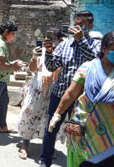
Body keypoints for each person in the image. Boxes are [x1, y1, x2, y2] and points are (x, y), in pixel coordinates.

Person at [40, 10, 101, 167]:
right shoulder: (64, 45)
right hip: (60, 94)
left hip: (82, 98)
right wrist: (48, 52)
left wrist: (81, 41)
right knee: (51, 127)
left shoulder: (96, 45)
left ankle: (78, 161)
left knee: (79, 131)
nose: (78, 28)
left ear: (90, 26)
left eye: (82, 25)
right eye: (76, 25)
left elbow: (95, 62)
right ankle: (45, 159)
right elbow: (52, 66)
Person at [48, 31, 114, 167]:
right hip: (82, 128)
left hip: (108, 133)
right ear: (104, 49)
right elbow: (71, 93)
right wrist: (57, 114)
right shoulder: (87, 68)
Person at [17, 45, 65, 160]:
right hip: (38, 91)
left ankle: (50, 146)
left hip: (55, 90)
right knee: (30, 115)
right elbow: (32, 69)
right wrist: (34, 57)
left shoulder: (63, 52)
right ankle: (25, 145)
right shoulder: (42, 52)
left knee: (53, 118)